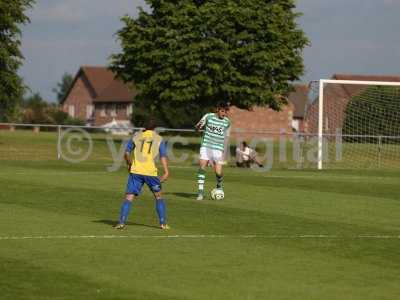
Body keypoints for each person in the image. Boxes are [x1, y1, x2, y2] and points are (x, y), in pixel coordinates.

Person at [114, 119, 170, 230]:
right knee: (158, 196)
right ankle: (163, 224)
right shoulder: (159, 139)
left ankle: (121, 222)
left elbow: (126, 153)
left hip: (136, 172)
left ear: (144, 127)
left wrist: (129, 163)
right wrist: (166, 171)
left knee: (129, 197)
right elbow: (163, 156)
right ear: (155, 128)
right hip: (150, 173)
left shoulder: (136, 136)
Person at [195, 102, 231, 201]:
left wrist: (224, 151)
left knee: (218, 172)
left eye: (226, 112)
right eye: (222, 111)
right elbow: (197, 127)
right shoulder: (208, 117)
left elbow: (226, 137)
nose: (224, 114)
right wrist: (198, 127)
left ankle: (219, 185)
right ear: (217, 110)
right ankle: (200, 193)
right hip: (206, 146)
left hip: (218, 149)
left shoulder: (227, 122)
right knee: (202, 167)